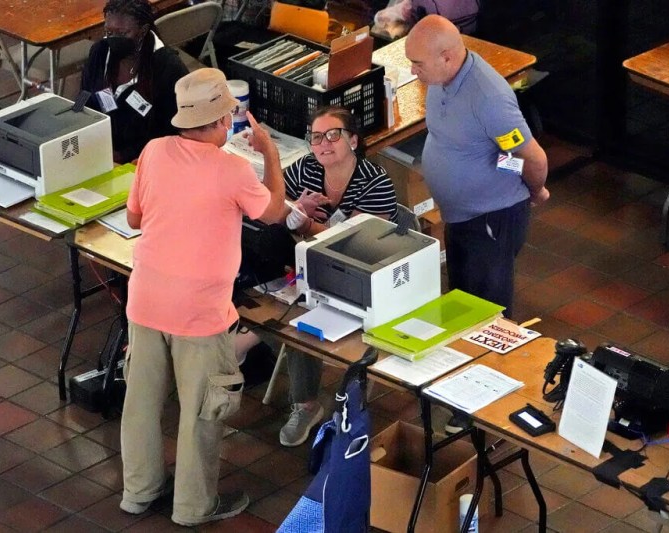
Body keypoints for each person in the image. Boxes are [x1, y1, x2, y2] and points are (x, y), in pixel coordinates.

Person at [119, 68, 286, 525]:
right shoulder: (231, 169)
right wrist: (269, 153)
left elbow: (134, 219)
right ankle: (193, 508)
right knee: (199, 414)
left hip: (146, 300)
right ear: (219, 122)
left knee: (141, 403)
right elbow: (273, 212)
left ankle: (139, 491)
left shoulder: (153, 152)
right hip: (200, 313)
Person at [406, 15, 548, 434]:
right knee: (464, 301)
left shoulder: (488, 97)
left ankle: (488, 405)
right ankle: (464, 388)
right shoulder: (443, 78)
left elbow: (530, 157)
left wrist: (534, 192)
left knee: (491, 311)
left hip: (492, 217)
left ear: (448, 56)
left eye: (418, 63)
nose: (412, 71)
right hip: (461, 216)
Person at [276, 106, 399, 447]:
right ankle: (305, 404)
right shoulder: (305, 168)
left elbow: (353, 242)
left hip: (361, 277)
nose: (324, 143)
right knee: (288, 313)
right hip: (309, 267)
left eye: (333, 135)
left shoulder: (376, 182)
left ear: (354, 140)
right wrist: (292, 208)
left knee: (297, 317)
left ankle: (327, 403)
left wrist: (301, 221)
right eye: (316, 137)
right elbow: (274, 203)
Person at [80, 0, 188, 163]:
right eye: (109, 32)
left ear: (143, 30)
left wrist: (125, 156)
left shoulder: (167, 68)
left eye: (123, 33)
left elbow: (170, 130)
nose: (113, 39)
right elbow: (84, 96)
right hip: (98, 150)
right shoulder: (100, 52)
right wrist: (73, 122)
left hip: (145, 159)